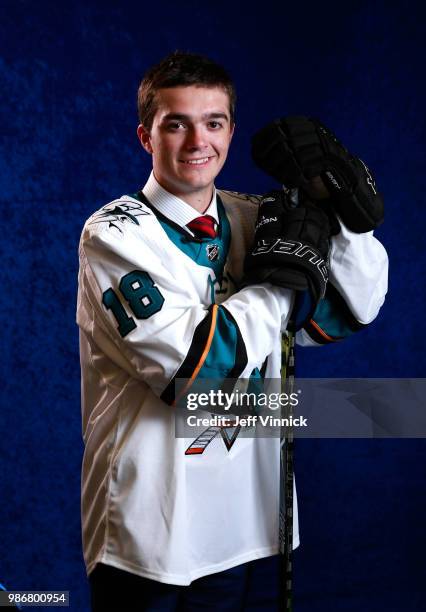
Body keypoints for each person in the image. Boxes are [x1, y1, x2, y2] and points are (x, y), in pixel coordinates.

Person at [77, 51, 388, 610]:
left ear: (231, 130)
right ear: (146, 136)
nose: (199, 141)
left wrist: (341, 217)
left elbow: (346, 314)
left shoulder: (251, 216)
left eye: (213, 122)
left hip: (247, 522)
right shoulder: (114, 233)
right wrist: (282, 283)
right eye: (177, 123)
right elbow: (195, 373)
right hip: (154, 531)